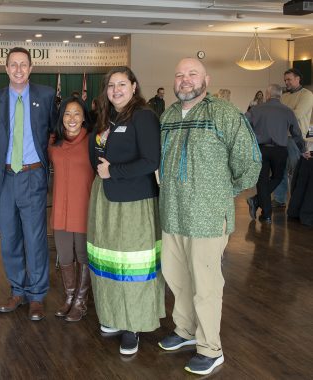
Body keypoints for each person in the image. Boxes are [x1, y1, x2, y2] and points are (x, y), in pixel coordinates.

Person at [158, 58, 260, 375]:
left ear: (206, 79)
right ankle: (186, 331)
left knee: (206, 284)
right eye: (180, 75)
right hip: (173, 212)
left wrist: (221, 192)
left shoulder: (224, 113)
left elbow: (250, 160)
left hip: (207, 216)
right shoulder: (169, 115)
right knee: (177, 276)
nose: (185, 80)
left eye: (192, 74)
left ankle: (210, 348)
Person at [87, 66, 164, 355]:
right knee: (108, 261)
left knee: (132, 266)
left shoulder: (143, 116)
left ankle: (133, 325)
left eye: (122, 84)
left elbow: (150, 161)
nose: (116, 90)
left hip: (133, 203)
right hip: (106, 199)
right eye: (111, 86)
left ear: (134, 86)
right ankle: (115, 316)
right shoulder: (110, 117)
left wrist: (114, 171)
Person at [0, 47, 57, 321]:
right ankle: (18, 290)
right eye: (13, 65)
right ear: (6, 68)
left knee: (35, 237)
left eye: (23, 64)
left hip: (33, 175)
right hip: (4, 178)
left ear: (30, 68)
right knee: (10, 238)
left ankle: (37, 295)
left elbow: (56, 131)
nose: (18, 69)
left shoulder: (46, 96)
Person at [48, 96, 94, 322]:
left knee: (83, 255)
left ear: (84, 116)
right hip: (60, 209)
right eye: (67, 113)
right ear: (61, 117)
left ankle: (80, 301)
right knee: (64, 254)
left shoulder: (93, 141)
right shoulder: (53, 142)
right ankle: (68, 297)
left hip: (84, 208)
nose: (72, 118)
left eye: (77, 113)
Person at [246, 84, 305, 224]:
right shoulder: (288, 111)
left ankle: (266, 214)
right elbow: (297, 133)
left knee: (261, 180)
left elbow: (243, 123)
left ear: (267, 95)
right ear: (280, 95)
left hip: (261, 149)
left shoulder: (256, 109)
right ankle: (256, 201)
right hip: (280, 150)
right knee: (278, 177)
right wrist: (303, 150)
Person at [273, 68, 313, 208]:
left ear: (298, 79)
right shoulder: (284, 96)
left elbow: (297, 115)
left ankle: (297, 202)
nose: (286, 82)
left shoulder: (307, 95)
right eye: (285, 80)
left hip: (296, 139)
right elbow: (279, 113)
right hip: (281, 137)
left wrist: (280, 116)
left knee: (296, 171)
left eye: (289, 79)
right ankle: (279, 199)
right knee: (280, 169)